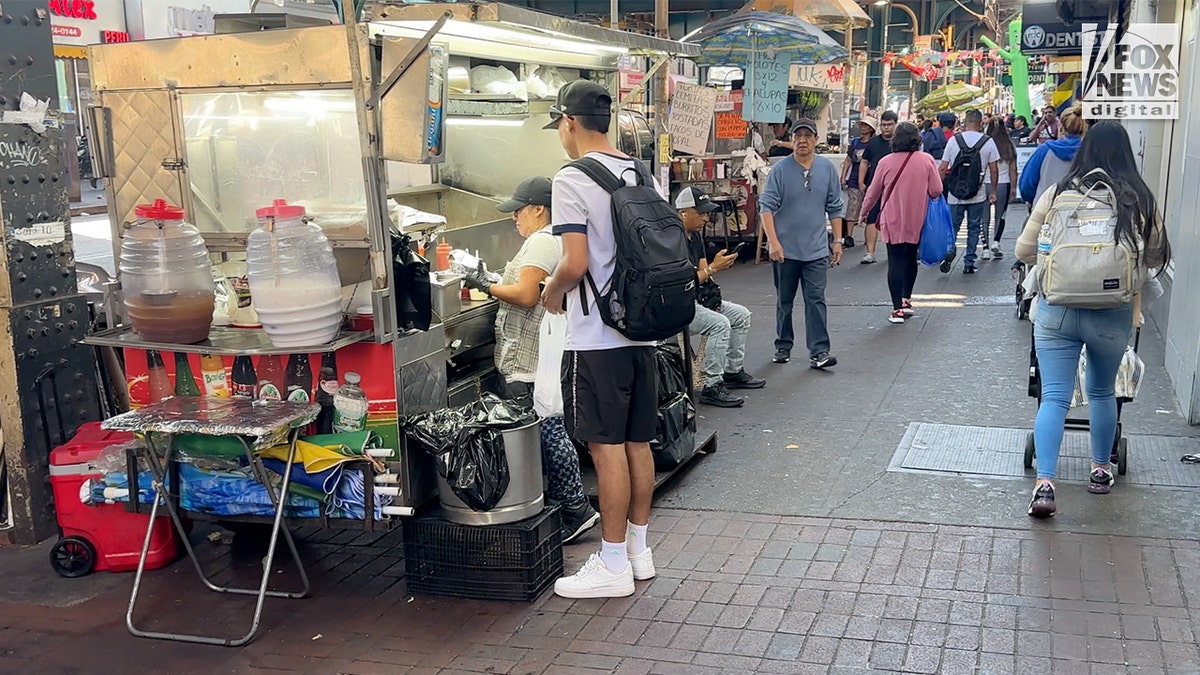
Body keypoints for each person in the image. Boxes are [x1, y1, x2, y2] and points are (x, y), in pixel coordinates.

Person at [539, 80, 659, 598]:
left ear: (568, 122)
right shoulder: (638, 170)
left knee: (605, 448)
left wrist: (550, 289)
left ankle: (611, 566)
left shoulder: (570, 178)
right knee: (637, 443)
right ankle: (637, 551)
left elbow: (576, 261)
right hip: (642, 330)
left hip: (597, 336)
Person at [1016, 122, 1171, 518]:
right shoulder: (1140, 199)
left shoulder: (1058, 194)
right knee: (1102, 392)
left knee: (1054, 396)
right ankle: (1100, 470)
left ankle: (1045, 485)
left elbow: (1024, 250)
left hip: (1057, 310)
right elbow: (1157, 257)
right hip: (1112, 312)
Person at [463, 177, 600, 545]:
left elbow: (525, 295)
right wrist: (489, 279)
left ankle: (574, 507)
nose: (515, 219)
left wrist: (483, 285)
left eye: (519, 211)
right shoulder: (558, 238)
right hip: (543, 353)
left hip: (529, 357)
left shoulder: (542, 239)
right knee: (549, 428)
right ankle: (564, 503)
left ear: (539, 208)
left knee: (547, 430)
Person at [758, 118, 845, 369]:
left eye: (808, 136)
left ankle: (819, 351)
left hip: (816, 249)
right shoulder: (780, 171)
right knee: (784, 301)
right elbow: (766, 208)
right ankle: (783, 344)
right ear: (792, 140)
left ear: (816, 140)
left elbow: (835, 207)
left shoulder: (827, 169)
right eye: (798, 136)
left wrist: (837, 241)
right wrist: (773, 243)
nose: (802, 141)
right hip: (785, 251)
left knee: (816, 299)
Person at [675, 186, 766, 408]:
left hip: (696, 298)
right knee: (719, 324)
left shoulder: (694, 237)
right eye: (701, 213)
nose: (706, 218)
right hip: (677, 305)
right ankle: (711, 385)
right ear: (683, 213)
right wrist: (712, 269)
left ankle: (732, 371)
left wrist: (715, 267)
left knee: (741, 315)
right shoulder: (671, 240)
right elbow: (680, 283)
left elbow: (703, 274)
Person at [858, 122, 943, 324]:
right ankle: (906, 300)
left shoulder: (886, 162)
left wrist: (863, 212)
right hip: (917, 217)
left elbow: (873, 192)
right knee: (910, 258)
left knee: (894, 260)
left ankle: (897, 309)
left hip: (892, 218)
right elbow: (936, 190)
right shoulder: (926, 160)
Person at [938, 109, 1000, 275]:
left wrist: (937, 189)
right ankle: (969, 262)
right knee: (974, 227)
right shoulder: (988, 142)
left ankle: (950, 249)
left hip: (955, 194)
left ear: (964, 123)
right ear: (981, 124)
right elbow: (994, 169)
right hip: (977, 193)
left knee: (953, 226)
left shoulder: (953, 141)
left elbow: (943, 167)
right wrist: (993, 191)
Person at [1019, 102, 1087, 207]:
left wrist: (1034, 201)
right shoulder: (1089, 152)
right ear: (1084, 128)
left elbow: (1026, 184)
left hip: (1045, 209)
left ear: (1061, 127)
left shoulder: (1044, 150)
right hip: (1078, 210)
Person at [858, 110, 897, 264]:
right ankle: (870, 252)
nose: (886, 128)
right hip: (875, 186)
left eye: (889, 125)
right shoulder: (873, 142)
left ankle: (893, 252)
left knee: (893, 220)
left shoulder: (900, 142)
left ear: (896, 124)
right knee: (871, 219)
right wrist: (861, 182)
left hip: (894, 188)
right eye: (883, 125)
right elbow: (864, 162)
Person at [983, 118, 1018, 259]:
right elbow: (1013, 169)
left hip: (985, 183)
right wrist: (1014, 188)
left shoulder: (985, 145)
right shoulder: (1009, 145)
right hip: (1004, 183)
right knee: (1000, 215)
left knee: (983, 217)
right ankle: (996, 242)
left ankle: (984, 247)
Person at [840, 118, 877, 249]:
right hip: (854, 178)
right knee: (853, 205)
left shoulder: (874, 143)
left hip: (871, 178)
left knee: (869, 207)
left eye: (865, 125)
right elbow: (848, 160)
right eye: (861, 124)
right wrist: (843, 176)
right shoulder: (855, 142)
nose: (862, 127)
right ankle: (849, 236)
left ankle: (869, 236)